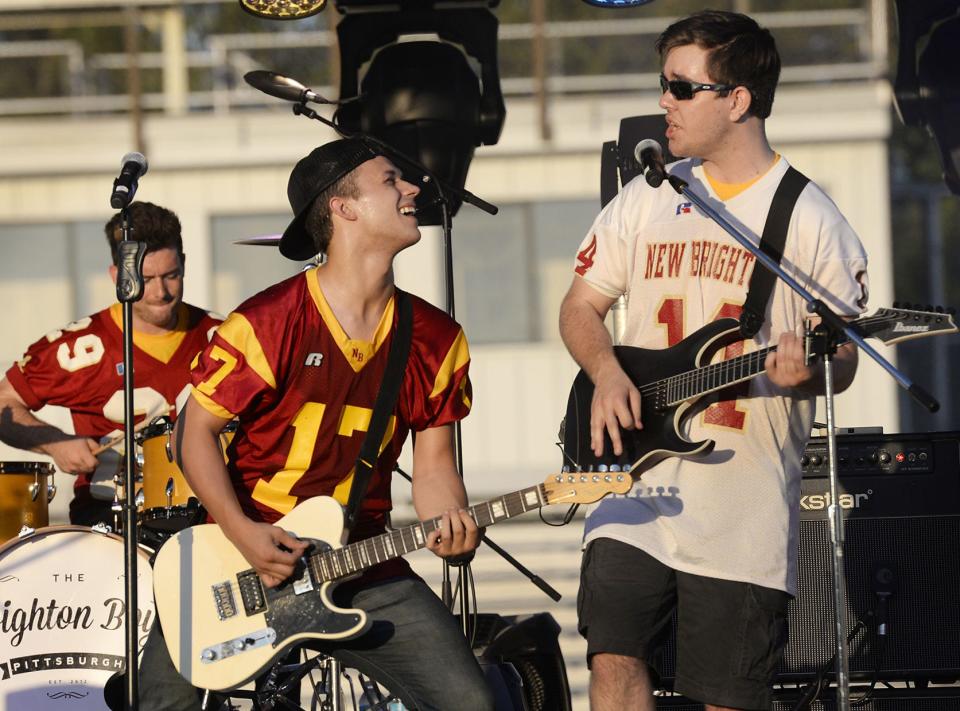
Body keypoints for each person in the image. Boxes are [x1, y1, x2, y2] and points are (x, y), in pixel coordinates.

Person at [559, 11, 869, 711]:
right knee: (612, 657)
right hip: (633, 480)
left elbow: (844, 354)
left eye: (681, 86)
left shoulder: (811, 217)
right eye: (662, 83)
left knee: (726, 696)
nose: (663, 100)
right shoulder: (647, 194)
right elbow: (580, 307)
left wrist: (811, 372)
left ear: (738, 99)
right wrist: (607, 372)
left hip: (744, 506)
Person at [138, 137, 495, 711]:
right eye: (391, 181)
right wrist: (242, 532)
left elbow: (434, 473)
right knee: (160, 703)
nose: (413, 189)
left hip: (362, 562)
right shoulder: (268, 320)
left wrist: (452, 529)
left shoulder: (437, 338)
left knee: (470, 704)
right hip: (241, 559)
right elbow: (192, 434)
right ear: (343, 207)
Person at [0, 202, 222, 527]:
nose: (161, 291)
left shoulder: (223, 336)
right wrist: (56, 443)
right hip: (111, 529)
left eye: (171, 275)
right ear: (117, 276)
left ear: (184, 264)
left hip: (212, 525)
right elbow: (5, 402)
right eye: (146, 278)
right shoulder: (81, 347)